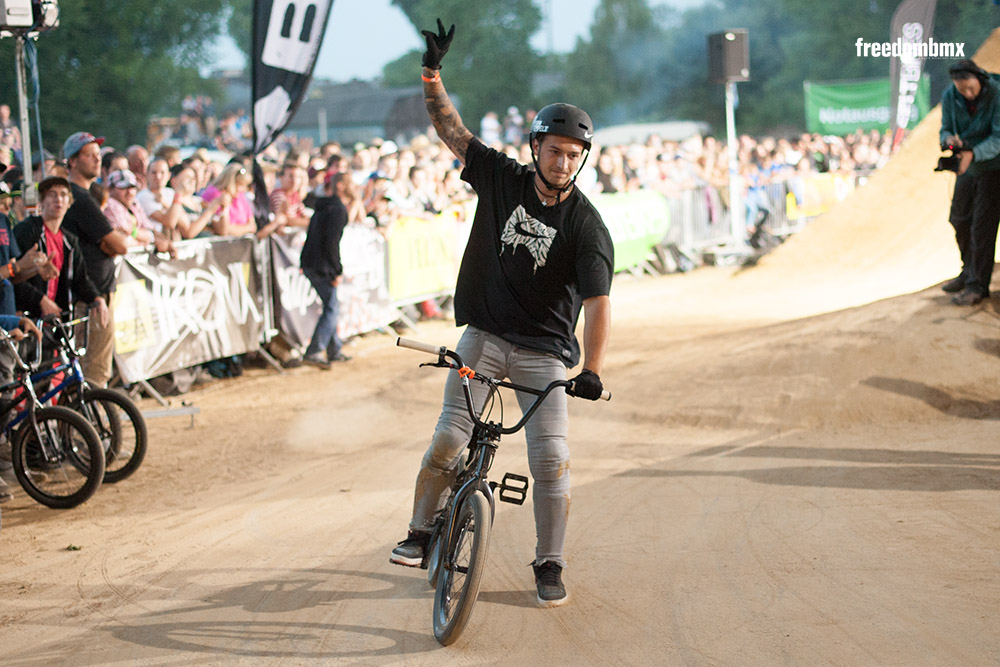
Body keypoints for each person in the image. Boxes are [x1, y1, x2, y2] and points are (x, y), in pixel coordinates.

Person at [389, 20, 614, 609]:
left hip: (543, 357)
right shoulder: (499, 177)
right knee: (447, 441)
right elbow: (451, 130)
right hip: (483, 340)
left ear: (582, 160)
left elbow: (597, 304)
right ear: (535, 147)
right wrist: (431, 73)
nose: (563, 162)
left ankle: (549, 562)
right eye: (555, 150)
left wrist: (591, 368)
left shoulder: (587, 226)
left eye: (574, 155)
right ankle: (418, 532)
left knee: (552, 460)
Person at [60, 131, 130, 388]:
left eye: (98, 155)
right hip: (90, 296)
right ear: (72, 161)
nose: (96, 160)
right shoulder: (79, 198)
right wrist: (109, 243)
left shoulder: (85, 196)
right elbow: (118, 244)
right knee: (93, 371)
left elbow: (113, 243)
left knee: (92, 367)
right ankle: (86, 425)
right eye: (89, 155)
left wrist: (109, 243)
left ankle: (84, 424)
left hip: (93, 293)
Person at [938, 59, 1000, 306]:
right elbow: (944, 129)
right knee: (959, 219)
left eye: (970, 88)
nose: (967, 93)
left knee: (982, 227)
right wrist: (948, 141)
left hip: (994, 167)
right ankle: (968, 271)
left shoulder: (996, 93)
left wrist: (974, 152)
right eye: (962, 89)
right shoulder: (950, 95)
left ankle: (978, 286)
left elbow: (999, 137)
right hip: (967, 166)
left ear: (980, 79)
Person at [12, 176, 109, 325]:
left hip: (57, 319)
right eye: (52, 194)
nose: (58, 199)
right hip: (28, 317)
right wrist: (40, 300)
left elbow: (80, 279)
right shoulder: (27, 231)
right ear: (41, 201)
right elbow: (12, 276)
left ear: (69, 202)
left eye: (63, 195)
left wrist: (97, 298)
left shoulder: (69, 240)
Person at [293, 176, 350, 370]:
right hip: (321, 265)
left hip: (311, 261)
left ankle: (334, 348)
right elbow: (332, 243)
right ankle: (315, 350)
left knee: (331, 304)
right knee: (332, 307)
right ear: (341, 186)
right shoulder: (337, 210)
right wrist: (337, 270)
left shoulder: (324, 206)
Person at [103, 170, 157, 246]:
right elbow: (123, 239)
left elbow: (150, 234)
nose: (129, 192)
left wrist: (133, 231)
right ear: (110, 189)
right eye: (123, 187)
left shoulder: (134, 203)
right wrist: (143, 242)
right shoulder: (110, 203)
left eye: (132, 187)